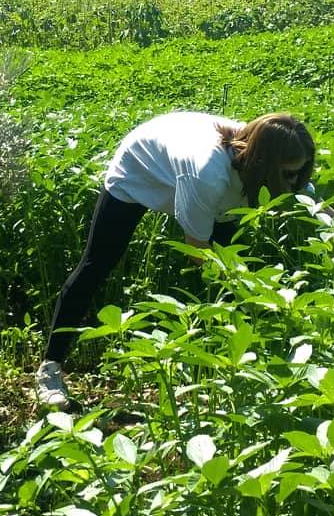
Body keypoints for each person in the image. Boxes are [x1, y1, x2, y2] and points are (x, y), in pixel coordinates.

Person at [34, 111, 317, 408]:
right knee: (99, 262)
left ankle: (221, 372)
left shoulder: (265, 154)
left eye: (300, 172)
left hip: (194, 165)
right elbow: (197, 251)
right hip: (142, 166)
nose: (295, 181)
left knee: (231, 269)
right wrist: (251, 291)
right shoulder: (208, 174)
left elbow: (308, 196)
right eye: (288, 174)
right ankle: (49, 369)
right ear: (264, 166)